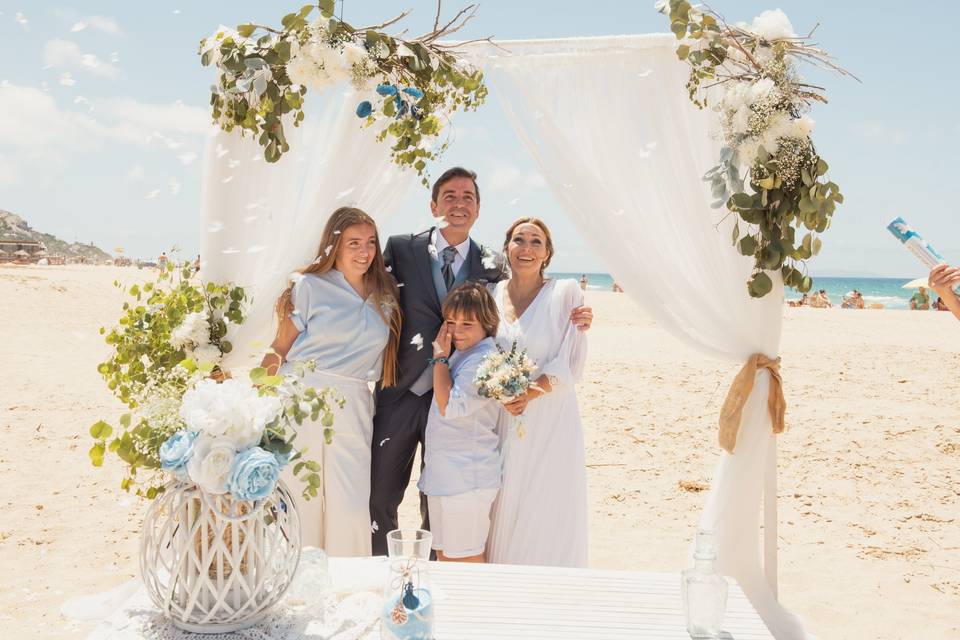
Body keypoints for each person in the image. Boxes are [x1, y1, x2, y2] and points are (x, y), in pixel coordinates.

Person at [369, 167, 593, 556]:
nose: (459, 204)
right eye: (450, 196)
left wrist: (580, 314)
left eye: (468, 197)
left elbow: (530, 292)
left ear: (478, 210)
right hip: (403, 390)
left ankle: (435, 578)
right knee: (381, 495)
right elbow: (372, 294)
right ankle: (382, 573)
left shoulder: (491, 264)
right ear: (433, 204)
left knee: (440, 500)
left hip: (461, 395)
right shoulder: (401, 247)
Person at [262, 207, 401, 556]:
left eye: (370, 243)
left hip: (354, 400)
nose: (364, 251)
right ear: (334, 246)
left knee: (351, 503)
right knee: (300, 493)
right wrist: (255, 401)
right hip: (300, 397)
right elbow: (279, 349)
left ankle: (347, 582)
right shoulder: (309, 286)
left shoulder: (385, 295)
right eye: (353, 242)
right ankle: (294, 580)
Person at [486, 217, 589, 567]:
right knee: (504, 497)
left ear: (547, 253)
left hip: (551, 415)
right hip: (505, 414)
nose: (526, 248)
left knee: (546, 499)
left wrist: (530, 392)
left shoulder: (566, 293)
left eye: (536, 242)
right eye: (519, 240)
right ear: (506, 248)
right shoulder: (491, 295)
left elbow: (570, 360)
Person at [418, 282, 503, 563]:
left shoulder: (485, 360)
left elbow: (449, 405)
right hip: (446, 475)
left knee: (466, 561)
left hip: (468, 478)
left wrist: (439, 356)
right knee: (444, 557)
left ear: (487, 324)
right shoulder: (462, 353)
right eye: (451, 322)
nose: (456, 331)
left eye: (468, 323)